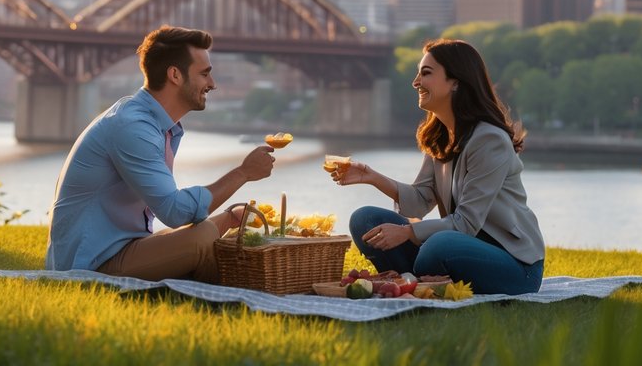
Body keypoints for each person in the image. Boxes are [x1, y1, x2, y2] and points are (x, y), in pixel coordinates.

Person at [44, 25, 275, 282]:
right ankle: (239, 290)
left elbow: (173, 211)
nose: (212, 84)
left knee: (213, 229)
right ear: (175, 75)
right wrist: (243, 173)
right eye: (205, 74)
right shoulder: (133, 127)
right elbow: (174, 212)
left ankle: (235, 285)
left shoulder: (158, 126)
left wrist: (228, 219)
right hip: (90, 265)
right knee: (203, 237)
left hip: (123, 248)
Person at [329, 38, 545, 295]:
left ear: (456, 82)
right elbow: (420, 201)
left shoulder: (489, 140)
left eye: (426, 73)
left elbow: (466, 223)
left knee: (438, 246)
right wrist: (371, 177)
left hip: (515, 266)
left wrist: (407, 232)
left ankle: (416, 278)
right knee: (365, 219)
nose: (416, 82)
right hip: (460, 246)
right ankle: (414, 280)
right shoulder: (442, 135)